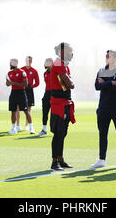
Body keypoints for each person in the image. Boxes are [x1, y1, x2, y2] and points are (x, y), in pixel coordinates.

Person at [91, 50, 116, 169]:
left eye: (109, 56)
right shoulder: (102, 70)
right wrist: (111, 83)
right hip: (103, 107)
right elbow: (97, 86)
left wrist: (106, 83)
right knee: (102, 134)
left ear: (115, 58)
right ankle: (102, 159)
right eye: (106, 56)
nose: (106, 58)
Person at [49, 42, 76, 171]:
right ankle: (54, 162)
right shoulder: (59, 64)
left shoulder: (63, 65)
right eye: (70, 51)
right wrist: (71, 81)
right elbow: (70, 84)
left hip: (64, 102)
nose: (72, 54)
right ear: (63, 51)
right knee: (58, 133)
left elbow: (69, 82)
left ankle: (60, 159)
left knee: (63, 133)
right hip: (58, 103)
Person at [6, 58, 34, 134]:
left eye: (11, 63)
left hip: (21, 92)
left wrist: (13, 83)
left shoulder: (22, 72)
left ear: (15, 64)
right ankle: (13, 128)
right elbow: (7, 84)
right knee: (13, 111)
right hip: (13, 93)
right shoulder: (9, 73)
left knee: (26, 111)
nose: (10, 65)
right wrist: (9, 83)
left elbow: (25, 84)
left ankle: (31, 128)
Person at [20, 56, 39, 133]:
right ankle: (17, 125)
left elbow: (37, 82)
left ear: (31, 61)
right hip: (22, 90)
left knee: (28, 108)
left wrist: (31, 86)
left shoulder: (34, 71)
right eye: (27, 60)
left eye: (30, 61)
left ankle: (26, 125)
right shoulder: (21, 70)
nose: (28, 62)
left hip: (30, 90)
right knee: (18, 108)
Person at [38, 58, 53, 136]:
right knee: (45, 112)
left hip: (54, 93)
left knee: (54, 113)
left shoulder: (55, 72)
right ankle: (44, 130)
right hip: (47, 93)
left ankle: (54, 129)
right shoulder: (45, 73)